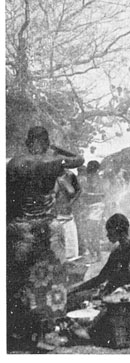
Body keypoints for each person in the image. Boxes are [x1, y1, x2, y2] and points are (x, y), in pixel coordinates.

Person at [6, 126, 84, 349]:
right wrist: (56, 148)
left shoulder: (14, 164)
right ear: (45, 142)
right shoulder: (51, 162)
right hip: (47, 230)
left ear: (28, 142)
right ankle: (46, 332)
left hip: (19, 228)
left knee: (19, 280)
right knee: (50, 282)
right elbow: (79, 158)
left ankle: (18, 332)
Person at [68, 213, 130, 299]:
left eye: (110, 231)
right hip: (129, 290)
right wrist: (76, 289)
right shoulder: (117, 252)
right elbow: (101, 277)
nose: (107, 235)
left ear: (119, 231)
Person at [54, 170, 82, 260]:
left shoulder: (69, 175)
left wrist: (71, 203)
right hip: (54, 217)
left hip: (67, 215)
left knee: (71, 250)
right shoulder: (48, 174)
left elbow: (78, 190)